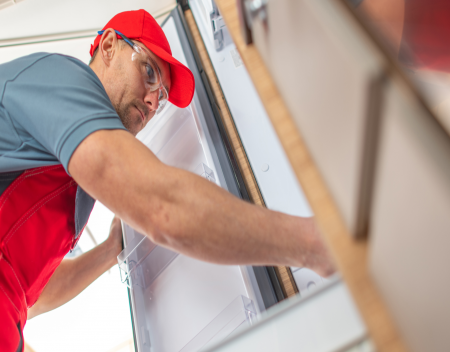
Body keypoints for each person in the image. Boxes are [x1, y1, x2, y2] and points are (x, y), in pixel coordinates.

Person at [0, 9, 335, 352]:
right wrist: (315, 245)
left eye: (160, 97)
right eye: (148, 73)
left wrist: (109, 251)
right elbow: (162, 205)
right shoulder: (61, 79)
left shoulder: (69, 174)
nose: (152, 100)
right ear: (110, 45)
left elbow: (33, 295)